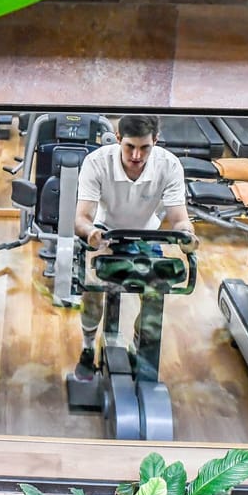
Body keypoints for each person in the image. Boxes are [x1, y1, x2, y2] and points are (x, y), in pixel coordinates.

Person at [73, 115, 199, 381]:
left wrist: (187, 234)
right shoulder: (97, 162)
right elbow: (81, 217)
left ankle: (135, 347)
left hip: (146, 237)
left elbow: (179, 219)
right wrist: (92, 234)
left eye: (144, 148)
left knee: (155, 295)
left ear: (156, 141)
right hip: (105, 233)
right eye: (130, 146)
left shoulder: (169, 165)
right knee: (92, 290)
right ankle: (87, 346)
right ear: (118, 138)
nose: (136, 155)